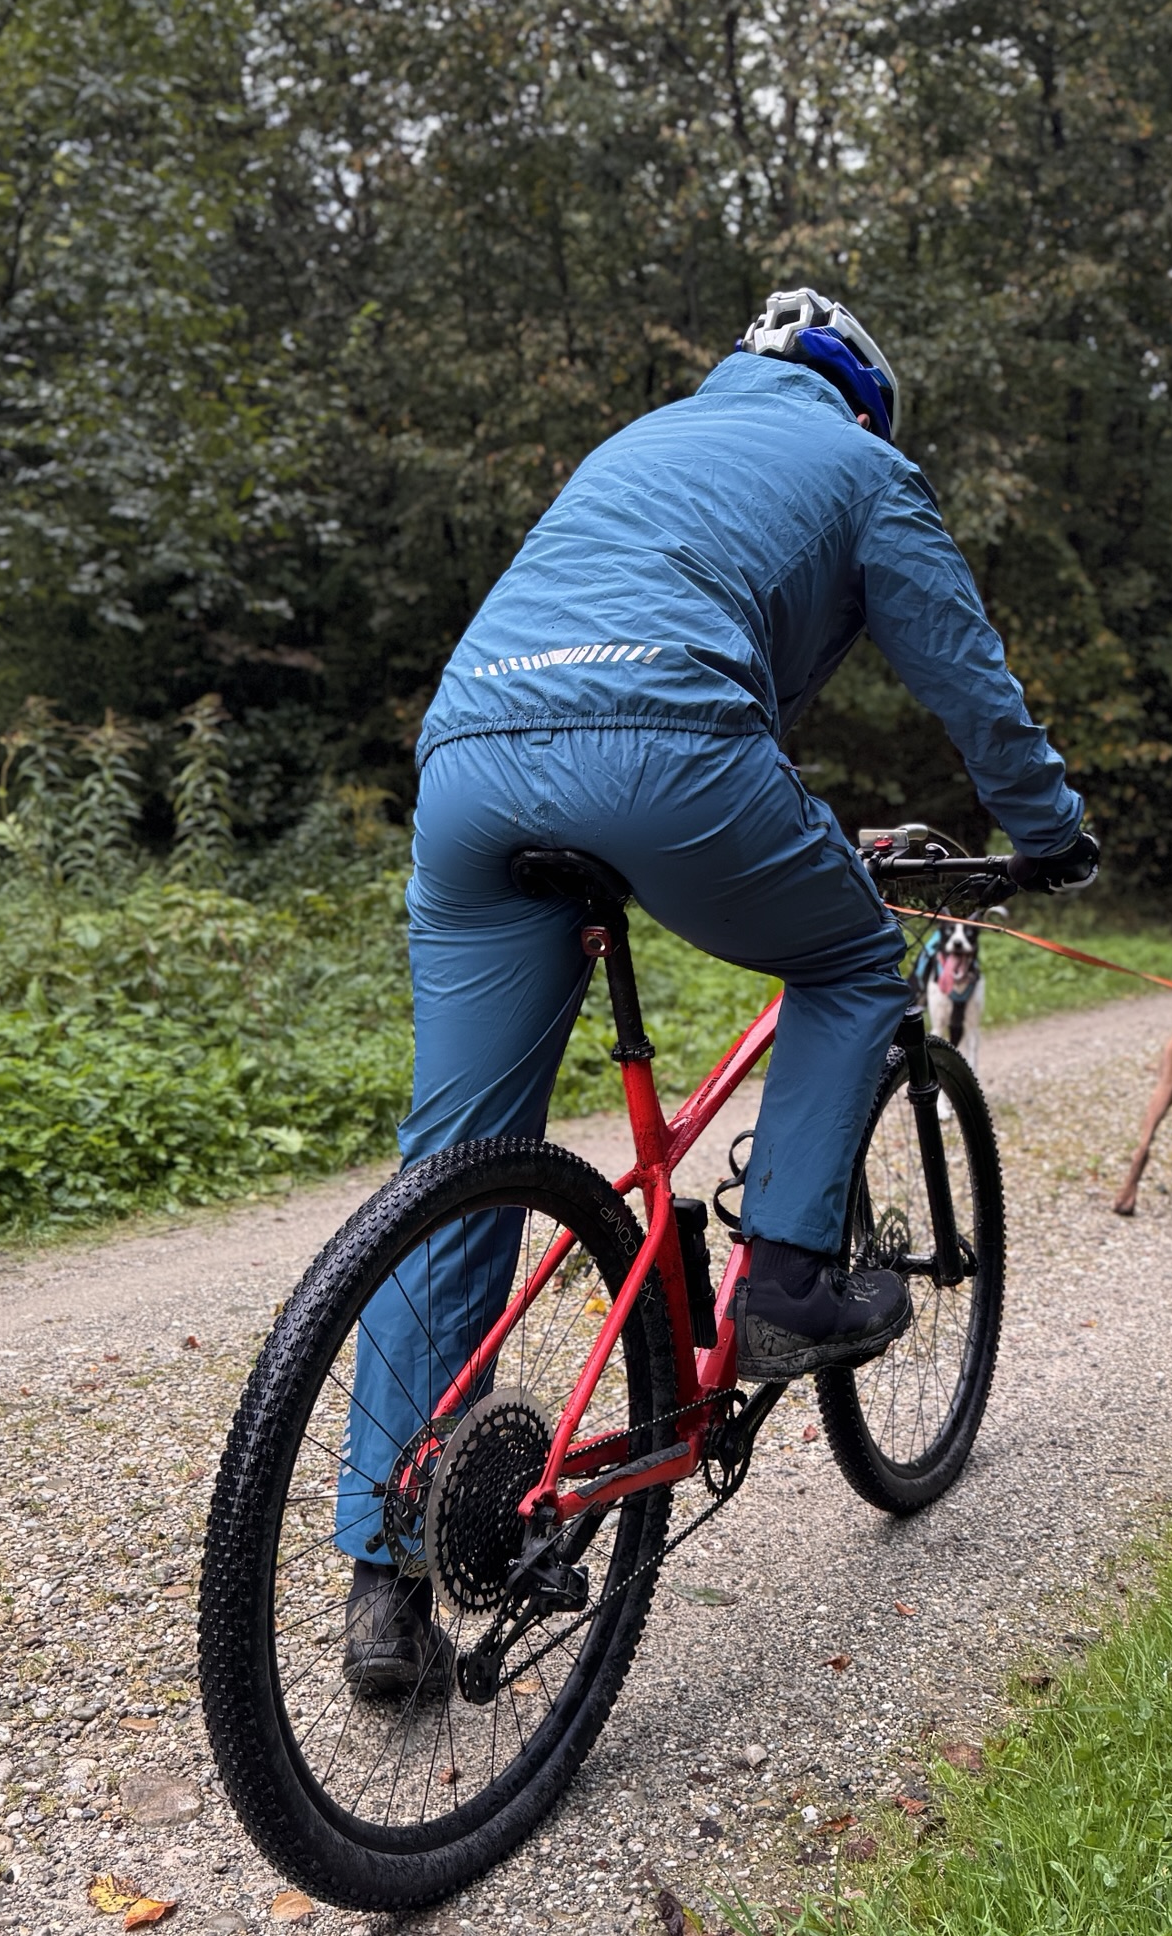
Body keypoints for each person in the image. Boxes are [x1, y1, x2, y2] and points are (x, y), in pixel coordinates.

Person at [339, 288, 1098, 1693]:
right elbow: (966, 678)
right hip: (664, 753)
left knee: (457, 1167)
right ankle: (786, 1282)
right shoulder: (864, 466)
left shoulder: (636, 444)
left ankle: (381, 1576)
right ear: (858, 396)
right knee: (849, 960)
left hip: (468, 769)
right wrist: (1045, 830)